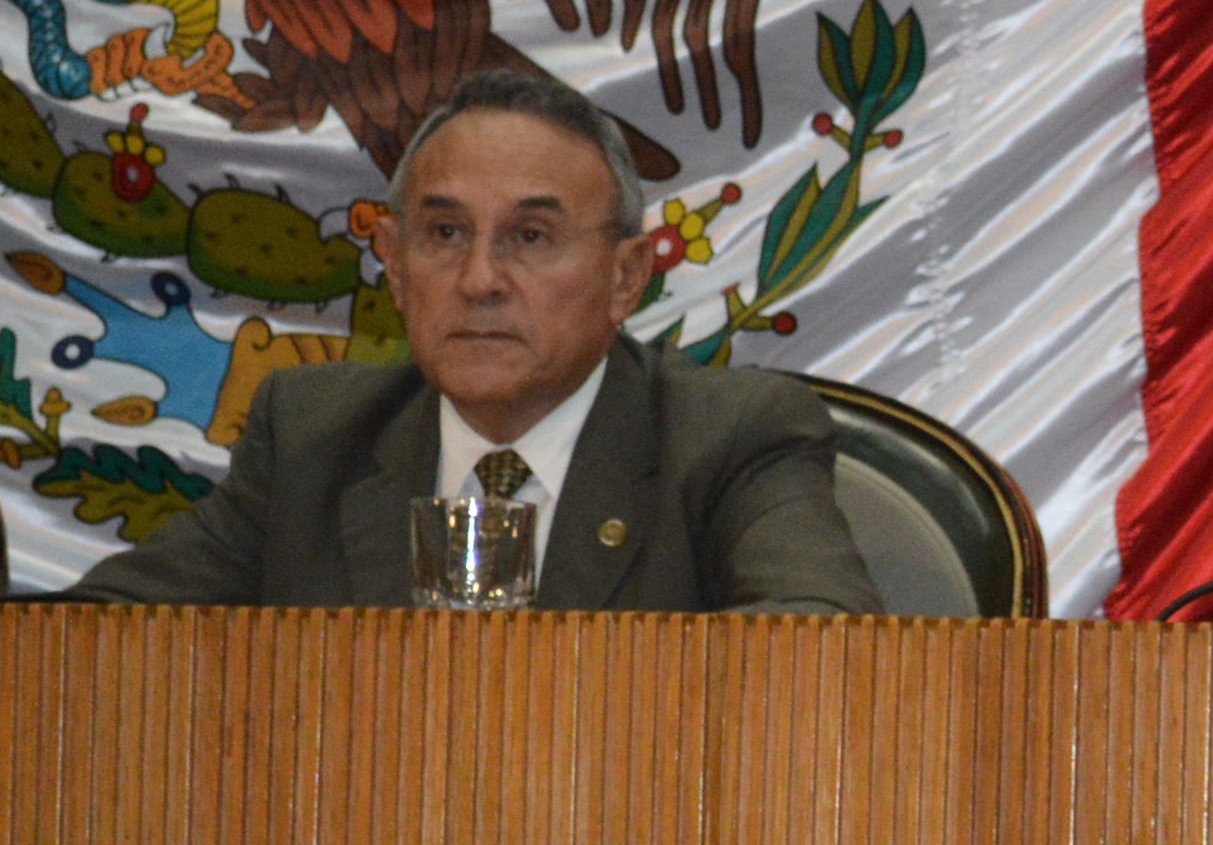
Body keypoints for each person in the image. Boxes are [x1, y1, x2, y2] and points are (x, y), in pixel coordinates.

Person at [64, 68, 879, 613]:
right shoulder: (312, 437)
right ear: (392, 261)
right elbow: (92, 643)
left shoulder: (731, 439)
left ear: (627, 278)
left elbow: (817, 658)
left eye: (531, 237)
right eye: (446, 232)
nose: (481, 278)